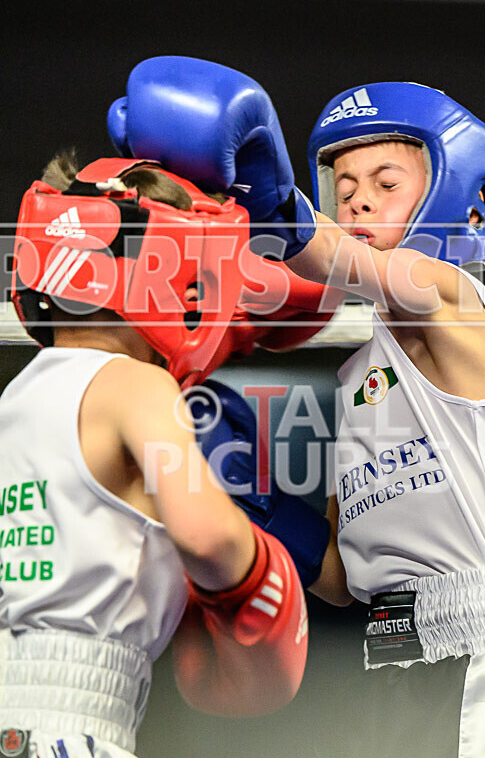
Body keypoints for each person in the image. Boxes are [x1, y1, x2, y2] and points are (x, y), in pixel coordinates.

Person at [105, 57, 485, 757]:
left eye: (386, 184)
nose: (357, 202)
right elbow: (342, 579)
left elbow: (334, 257)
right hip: (391, 657)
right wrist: (257, 504)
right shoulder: (362, 375)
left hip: (484, 649)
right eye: (344, 187)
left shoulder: (453, 299)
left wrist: (267, 194)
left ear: (459, 200)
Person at [0, 153, 308, 758]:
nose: (197, 295)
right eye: (190, 276)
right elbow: (208, 537)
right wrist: (257, 571)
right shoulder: (139, 386)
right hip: (72, 727)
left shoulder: (16, 398)